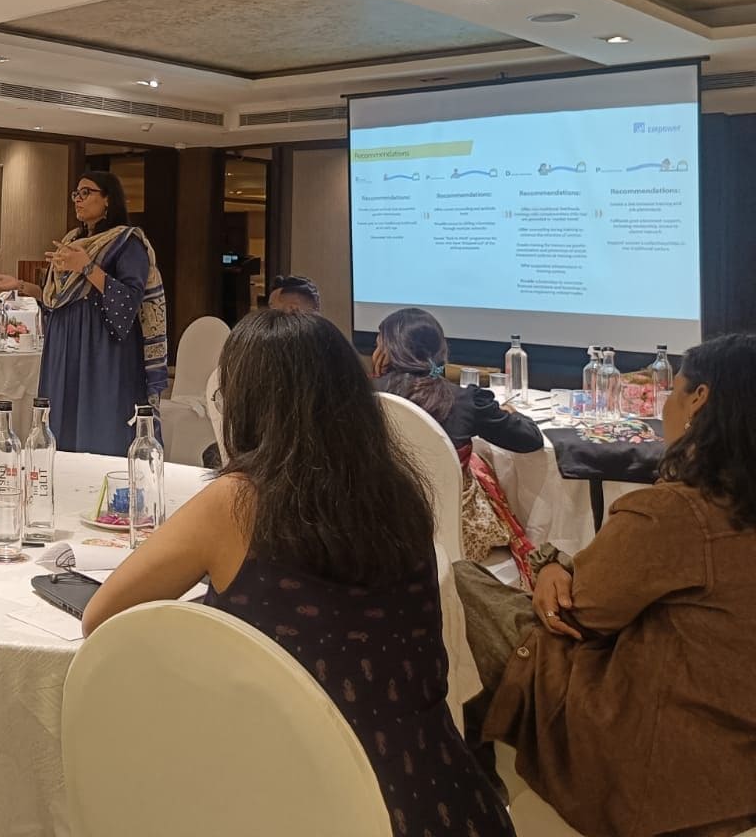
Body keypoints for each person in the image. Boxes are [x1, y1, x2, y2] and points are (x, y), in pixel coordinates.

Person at [83, 309, 514, 837]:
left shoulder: (238, 500)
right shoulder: (400, 494)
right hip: (448, 797)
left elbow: (103, 617)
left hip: (322, 805)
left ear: (244, 403)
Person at [455, 333, 756, 837]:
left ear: (699, 399)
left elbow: (580, 612)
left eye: (673, 391)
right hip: (729, 738)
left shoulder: (677, 513)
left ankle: (462, 800)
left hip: (658, 752)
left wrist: (553, 565)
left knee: (458, 587)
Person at [0, 170, 168, 454]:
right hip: (65, 344)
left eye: (86, 193)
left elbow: (129, 301)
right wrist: (20, 285)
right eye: (76, 194)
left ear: (107, 200)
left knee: (98, 421)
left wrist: (87, 267)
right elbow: (56, 301)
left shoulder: (127, 243)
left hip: (103, 351)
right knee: (61, 418)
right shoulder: (71, 241)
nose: (78, 200)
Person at [373, 307, 542, 580]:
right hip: (453, 533)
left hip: (378, 529)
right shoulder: (466, 401)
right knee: (481, 467)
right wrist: (512, 413)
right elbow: (529, 440)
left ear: (386, 352)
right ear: (440, 350)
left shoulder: (361, 397)